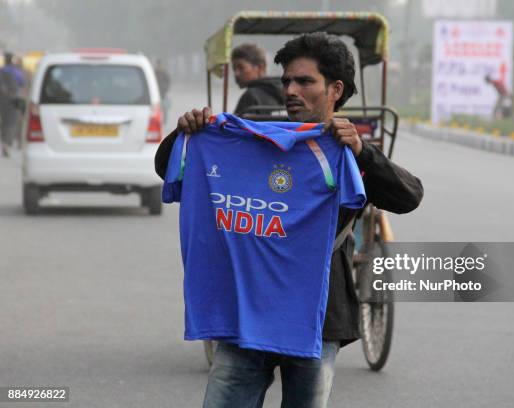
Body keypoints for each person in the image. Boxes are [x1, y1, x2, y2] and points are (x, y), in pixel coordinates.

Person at [154, 32, 424, 408]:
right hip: (246, 314)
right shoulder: (259, 144)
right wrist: (184, 135)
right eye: (287, 82)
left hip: (317, 319)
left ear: (335, 89)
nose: (291, 90)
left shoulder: (346, 151)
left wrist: (362, 152)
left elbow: (409, 196)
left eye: (305, 81)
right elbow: (168, 168)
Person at [231, 43, 284, 116]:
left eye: (241, 67)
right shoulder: (286, 90)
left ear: (260, 67)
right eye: (234, 69)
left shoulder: (250, 96)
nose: (236, 73)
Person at [0, 52, 25, 157]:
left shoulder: (1, 71)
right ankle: (8, 144)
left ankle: (4, 142)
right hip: (15, 99)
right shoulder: (17, 72)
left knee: (4, 121)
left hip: (2, 99)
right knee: (13, 122)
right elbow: (22, 83)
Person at [154, 58, 171, 124]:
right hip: (156, 93)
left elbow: (168, 81)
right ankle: (157, 120)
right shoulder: (154, 72)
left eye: (160, 64)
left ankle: (164, 121)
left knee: (164, 108)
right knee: (157, 107)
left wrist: (166, 88)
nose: (159, 66)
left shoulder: (164, 73)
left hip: (163, 92)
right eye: (158, 64)